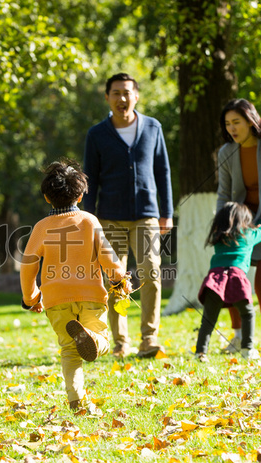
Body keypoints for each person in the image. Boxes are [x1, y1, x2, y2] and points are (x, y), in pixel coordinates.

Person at [20, 159, 133, 410]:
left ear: (48, 199)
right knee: (101, 337)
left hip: (55, 299)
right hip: (90, 295)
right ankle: (91, 337)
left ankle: (76, 400)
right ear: (80, 196)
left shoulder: (41, 227)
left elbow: (28, 265)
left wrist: (31, 297)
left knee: (70, 351)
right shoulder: (88, 221)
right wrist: (118, 278)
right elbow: (107, 256)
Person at [83, 72, 174, 359]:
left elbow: (163, 171)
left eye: (127, 92)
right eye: (116, 93)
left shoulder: (153, 127)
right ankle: (121, 343)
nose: (122, 98)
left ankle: (149, 338)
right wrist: (88, 218)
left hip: (147, 214)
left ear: (136, 96)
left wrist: (166, 212)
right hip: (108, 217)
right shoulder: (96, 134)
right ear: (107, 97)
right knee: (115, 279)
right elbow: (90, 179)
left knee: (152, 273)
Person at [216, 99, 261, 358]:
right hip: (240, 221)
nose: (232, 128)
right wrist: (222, 224)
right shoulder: (226, 152)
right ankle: (237, 337)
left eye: (236, 122)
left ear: (251, 120)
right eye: (228, 124)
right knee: (232, 279)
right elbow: (223, 192)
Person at [195, 202, 261, 361]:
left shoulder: (219, 237)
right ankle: (247, 349)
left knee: (208, 318)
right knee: (247, 313)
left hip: (215, 279)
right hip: (236, 278)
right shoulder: (247, 235)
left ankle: (200, 352)